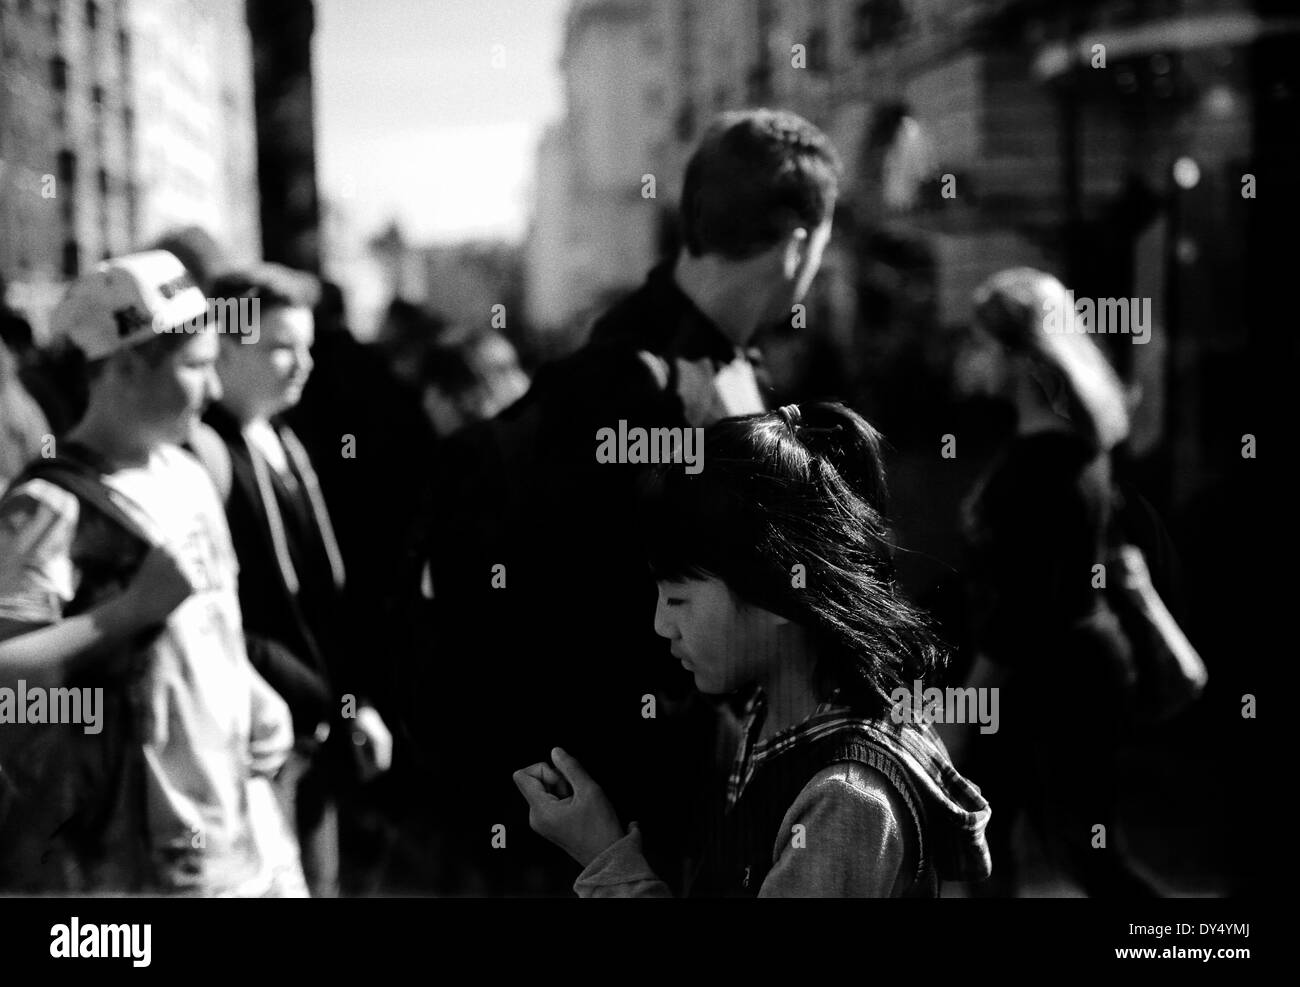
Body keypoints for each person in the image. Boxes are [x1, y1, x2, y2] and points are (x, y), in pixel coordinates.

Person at [412, 108, 844, 894]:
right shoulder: (629, 381)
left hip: (693, 776)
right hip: (637, 803)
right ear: (797, 244)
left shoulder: (712, 363)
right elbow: (577, 606)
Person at [513, 402, 992, 896]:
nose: (661, 624)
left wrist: (605, 859)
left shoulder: (845, 800)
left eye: (678, 597)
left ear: (779, 594)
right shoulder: (776, 719)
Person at [0, 250, 303, 896]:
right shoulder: (50, 504)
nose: (215, 388)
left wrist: (253, 693)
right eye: (196, 366)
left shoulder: (191, 475)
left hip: (239, 837)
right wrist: (126, 612)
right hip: (134, 872)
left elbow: (211, 631)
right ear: (129, 367)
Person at [955, 267, 1171, 896]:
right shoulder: (1077, 445)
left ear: (1017, 356)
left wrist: (962, 714)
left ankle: (1198, 941)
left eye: (979, 343)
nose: (969, 356)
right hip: (1078, 671)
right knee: (1063, 848)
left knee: (1040, 849)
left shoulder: (1037, 470)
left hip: (1046, 682)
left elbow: (1016, 613)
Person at [192, 264, 393, 897]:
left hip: (314, 729)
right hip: (258, 740)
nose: (303, 364)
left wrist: (352, 700)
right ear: (223, 348)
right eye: (281, 347)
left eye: (306, 346)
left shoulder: (284, 441)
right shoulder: (204, 453)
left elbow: (326, 598)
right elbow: (214, 617)